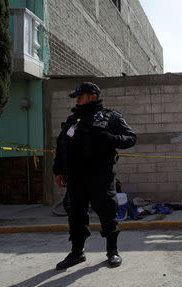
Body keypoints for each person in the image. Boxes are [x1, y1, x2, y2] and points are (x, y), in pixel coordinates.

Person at [53, 82, 136, 269]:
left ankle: (112, 252)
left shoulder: (110, 117)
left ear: (93, 96)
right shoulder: (73, 120)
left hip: (100, 176)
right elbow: (61, 146)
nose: (78, 101)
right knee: (75, 215)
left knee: (107, 212)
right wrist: (58, 171)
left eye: (80, 97)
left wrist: (110, 138)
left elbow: (131, 138)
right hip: (75, 178)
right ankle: (77, 253)